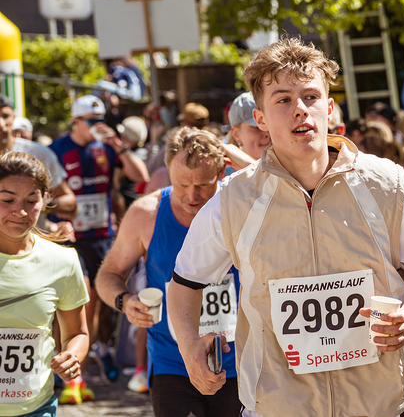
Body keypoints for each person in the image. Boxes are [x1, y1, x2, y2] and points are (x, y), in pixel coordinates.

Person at [167, 37, 404, 417]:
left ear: (329, 109)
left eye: (311, 97)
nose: (300, 109)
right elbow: (185, 282)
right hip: (276, 408)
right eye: (283, 100)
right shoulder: (233, 199)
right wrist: (189, 345)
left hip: (376, 405)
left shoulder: (385, 182)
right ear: (261, 119)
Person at [96, 127, 241, 417]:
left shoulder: (240, 206)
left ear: (221, 171)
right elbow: (108, 274)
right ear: (168, 171)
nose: (192, 195)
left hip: (239, 361)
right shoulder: (146, 214)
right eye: (181, 184)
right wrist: (125, 300)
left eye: (203, 185)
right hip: (172, 363)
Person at [48, 95, 149, 401]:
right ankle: (69, 368)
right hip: (70, 236)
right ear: (76, 122)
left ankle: (100, 349)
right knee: (81, 299)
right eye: (90, 121)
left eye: (100, 120)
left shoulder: (107, 147)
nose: (96, 126)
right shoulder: (57, 150)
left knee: (104, 301)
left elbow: (141, 177)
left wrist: (119, 145)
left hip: (102, 234)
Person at [0, 152, 90, 417]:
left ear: (45, 200)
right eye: (7, 200)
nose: (20, 211)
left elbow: (77, 333)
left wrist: (72, 356)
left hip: (36, 408)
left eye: (31, 201)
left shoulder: (62, 260)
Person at [0, 95, 76, 220]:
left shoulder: (37, 153)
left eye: (5, 116)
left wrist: (40, 204)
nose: (1, 124)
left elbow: (70, 202)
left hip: (29, 232)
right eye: (8, 200)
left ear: (13, 118)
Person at [228, 92, 271, 160]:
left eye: (270, 125)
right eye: (257, 127)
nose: (267, 134)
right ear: (236, 134)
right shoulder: (223, 166)